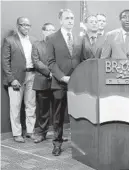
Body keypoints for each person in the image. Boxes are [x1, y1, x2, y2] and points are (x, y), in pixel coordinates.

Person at [47, 9, 83, 156]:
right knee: (58, 116)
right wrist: (62, 77)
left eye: (72, 18)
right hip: (59, 83)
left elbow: (80, 59)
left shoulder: (79, 38)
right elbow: (51, 62)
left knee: (79, 114)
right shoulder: (51, 38)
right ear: (60, 20)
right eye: (67, 18)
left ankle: (80, 143)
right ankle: (57, 143)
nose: (70, 21)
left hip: (77, 83)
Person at [2, 17, 37, 143]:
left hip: (32, 75)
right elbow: (5, 62)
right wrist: (11, 79)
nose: (26, 27)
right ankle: (17, 133)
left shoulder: (33, 40)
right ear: (18, 25)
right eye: (24, 25)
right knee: (15, 106)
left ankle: (30, 131)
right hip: (16, 78)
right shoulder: (9, 40)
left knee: (31, 105)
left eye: (29, 25)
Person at [31, 23, 55, 143]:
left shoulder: (58, 45)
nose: (51, 32)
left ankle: (58, 134)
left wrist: (56, 72)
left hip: (57, 82)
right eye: (48, 30)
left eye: (53, 30)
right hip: (42, 81)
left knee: (57, 110)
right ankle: (41, 134)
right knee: (43, 111)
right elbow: (36, 62)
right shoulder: (37, 45)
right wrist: (49, 72)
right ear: (43, 31)